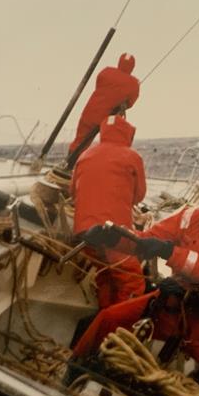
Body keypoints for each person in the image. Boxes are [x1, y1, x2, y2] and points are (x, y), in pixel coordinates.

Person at [72, 176, 199, 396]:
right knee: (109, 318)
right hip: (173, 302)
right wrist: (114, 237)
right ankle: (73, 370)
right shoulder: (189, 217)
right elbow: (146, 241)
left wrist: (170, 251)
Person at [71, 113, 146, 307]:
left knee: (106, 277)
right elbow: (139, 195)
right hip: (113, 234)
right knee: (133, 283)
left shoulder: (84, 155)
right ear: (127, 135)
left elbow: (73, 193)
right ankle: (115, 331)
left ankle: (105, 316)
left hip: (84, 233)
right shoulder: (131, 156)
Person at [68, 52, 140, 157]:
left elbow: (98, 85)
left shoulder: (106, 72)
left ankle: (69, 164)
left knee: (79, 141)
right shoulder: (134, 83)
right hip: (109, 120)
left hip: (91, 112)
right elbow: (130, 102)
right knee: (110, 145)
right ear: (132, 67)